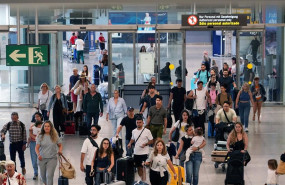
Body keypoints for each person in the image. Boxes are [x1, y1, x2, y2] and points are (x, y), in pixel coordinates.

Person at [35, 121, 63, 185]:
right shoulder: (40, 136)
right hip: (41, 158)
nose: (47, 128)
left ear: (51, 127)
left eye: (48, 126)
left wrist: (60, 150)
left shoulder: (55, 136)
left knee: (49, 175)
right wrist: (38, 154)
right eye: (45, 126)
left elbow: (60, 145)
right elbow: (36, 148)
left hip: (52, 158)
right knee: (43, 177)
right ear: (43, 127)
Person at [127, 116, 153, 180]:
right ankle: (142, 179)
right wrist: (130, 143)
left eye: (140, 122)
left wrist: (146, 144)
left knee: (143, 167)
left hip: (144, 152)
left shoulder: (147, 131)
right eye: (137, 122)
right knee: (138, 167)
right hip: (136, 152)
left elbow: (151, 140)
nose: (138, 124)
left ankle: (144, 180)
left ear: (143, 122)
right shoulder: (134, 131)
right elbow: (133, 139)